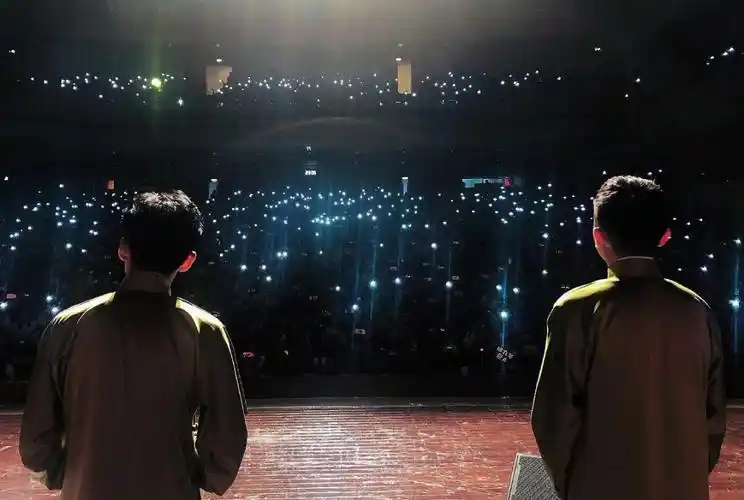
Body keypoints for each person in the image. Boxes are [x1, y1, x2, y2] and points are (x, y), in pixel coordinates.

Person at [20, 190, 247, 500]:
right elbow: (227, 437)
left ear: (123, 249)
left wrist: (67, 472)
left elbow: (36, 438)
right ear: (187, 261)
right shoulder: (205, 331)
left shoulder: (68, 326)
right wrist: (200, 474)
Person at [530, 175, 726, 500]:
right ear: (664, 236)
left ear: (598, 237)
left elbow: (554, 418)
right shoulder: (697, 310)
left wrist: (572, 485)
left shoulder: (576, 309)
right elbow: (714, 416)